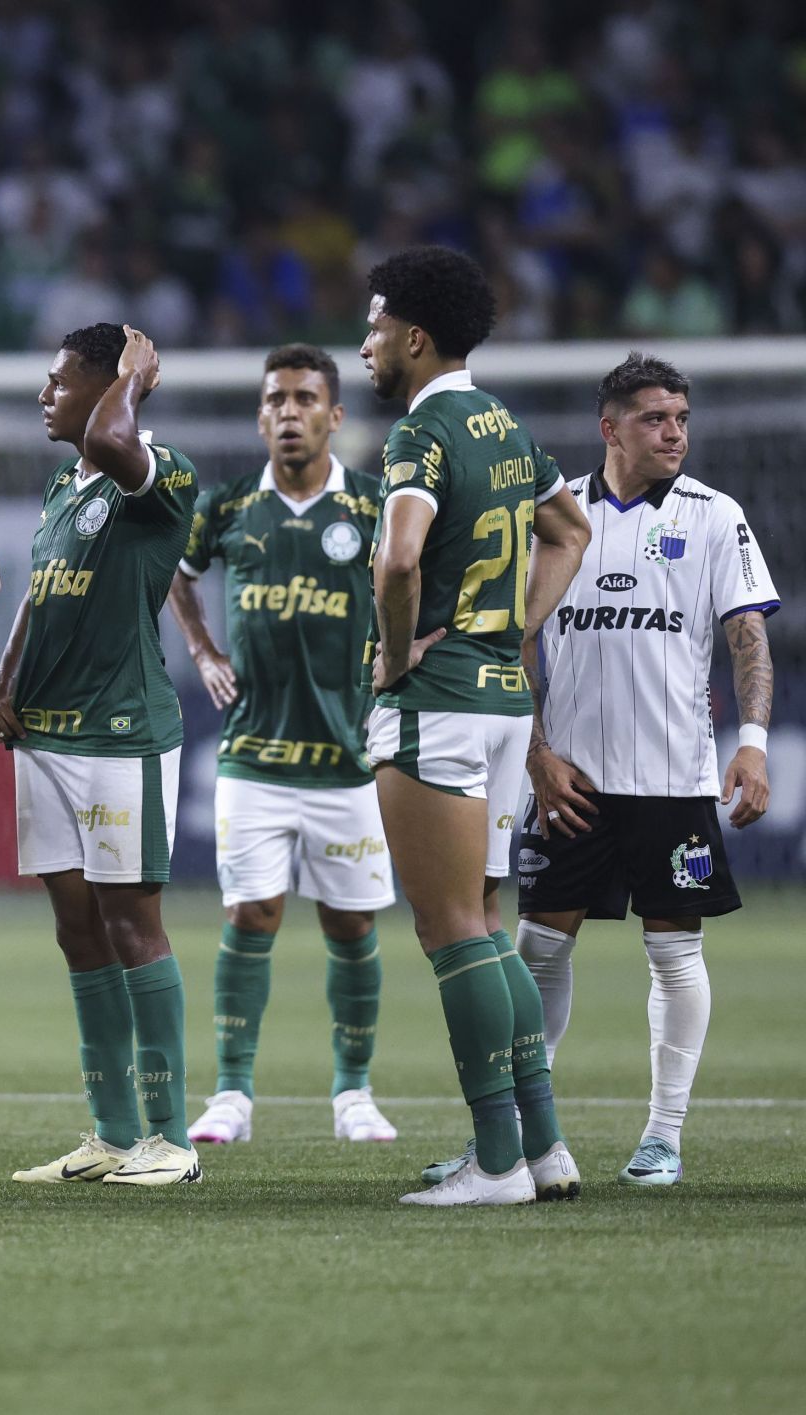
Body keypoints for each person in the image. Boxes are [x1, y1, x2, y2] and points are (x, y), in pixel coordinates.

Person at [359, 245, 592, 1207]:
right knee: (488, 925)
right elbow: (569, 532)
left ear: (414, 337)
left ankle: (494, 1161)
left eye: (375, 327)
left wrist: (394, 651)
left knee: (452, 931)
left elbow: (399, 560)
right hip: (501, 697)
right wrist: (514, 625)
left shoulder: (420, 436)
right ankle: (542, 1146)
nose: (366, 345)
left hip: (440, 703)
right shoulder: (506, 424)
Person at [513, 353, 777, 1187]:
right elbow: (515, 640)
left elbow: (748, 638)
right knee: (536, 953)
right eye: (657, 419)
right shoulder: (554, 517)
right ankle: (525, 1136)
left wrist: (755, 741)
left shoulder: (714, 515)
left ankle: (663, 1136)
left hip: (673, 778)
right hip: (570, 781)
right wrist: (536, 753)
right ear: (610, 427)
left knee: (675, 955)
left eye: (683, 419)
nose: (675, 433)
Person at [0, 323, 204, 1189]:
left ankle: (172, 1140)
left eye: (59, 383)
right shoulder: (60, 491)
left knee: (131, 925)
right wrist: (4, 684)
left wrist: (136, 379)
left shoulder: (161, 472)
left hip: (121, 735)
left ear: (109, 386)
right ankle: (112, 1134)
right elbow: (41, 596)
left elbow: (116, 436)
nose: (45, 396)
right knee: (78, 931)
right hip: (46, 734)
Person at [167, 345, 398, 1146]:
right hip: (252, 754)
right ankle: (231, 1093)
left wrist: (397, 651)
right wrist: (202, 649)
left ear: (336, 416)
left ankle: (354, 1092)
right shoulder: (228, 506)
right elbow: (177, 572)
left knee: (351, 926)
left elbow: (428, 585)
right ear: (261, 416)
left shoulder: (373, 506)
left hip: (348, 756)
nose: (289, 412)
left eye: (306, 399)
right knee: (252, 912)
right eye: (276, 400)